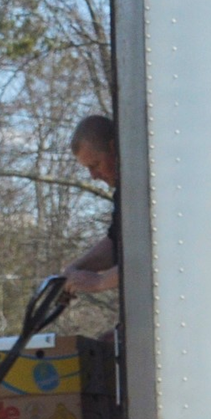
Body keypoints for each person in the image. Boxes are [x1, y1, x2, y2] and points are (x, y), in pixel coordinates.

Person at [62, 115, 121, 298]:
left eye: (95, 165)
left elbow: (148, 254)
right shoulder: (124, 195)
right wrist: (76, 269)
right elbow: (116, 244)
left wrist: (101, 282)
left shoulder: (146, 191)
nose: (93, 176)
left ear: (113, 149)